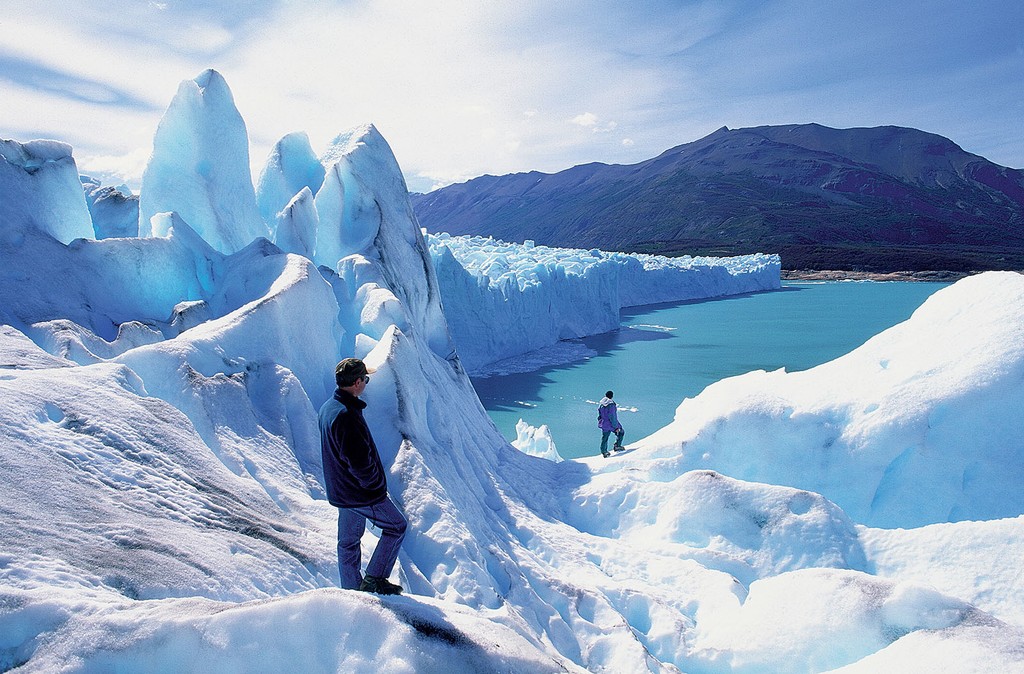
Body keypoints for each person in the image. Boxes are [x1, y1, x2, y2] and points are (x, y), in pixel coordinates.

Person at [318, 357, 407, 595]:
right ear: (357, 382)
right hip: (360, 493)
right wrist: (376, 487)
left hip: (341, 492)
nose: (367, 382)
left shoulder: (328, 408)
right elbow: (358, 462)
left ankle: (351, 590)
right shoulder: (346, 415)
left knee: (348, 542)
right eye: (365, 379)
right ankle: (375, 579)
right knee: (397, 527)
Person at [597, 390, 625, 458]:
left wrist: (600, 421)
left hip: (604, 423)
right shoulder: (611, 404)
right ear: (612, 396)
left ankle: (604, 452)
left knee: (605, 437)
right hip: (610, 423)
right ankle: (617, 446)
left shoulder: (601, 404)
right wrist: (616, 427)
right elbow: (612, 416)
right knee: (621, 432)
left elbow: (599, 414)